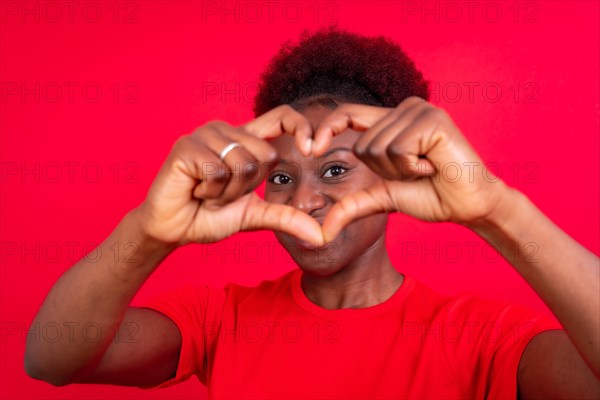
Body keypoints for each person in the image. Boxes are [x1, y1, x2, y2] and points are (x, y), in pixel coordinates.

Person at [24, 28, 599, 398]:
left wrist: (496, 210)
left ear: (395, 169)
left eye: (334, 170)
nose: (304, 201)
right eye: (280, 178)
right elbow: (51, 355)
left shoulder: (480, 337)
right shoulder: (221, 320)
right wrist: (148, 230)